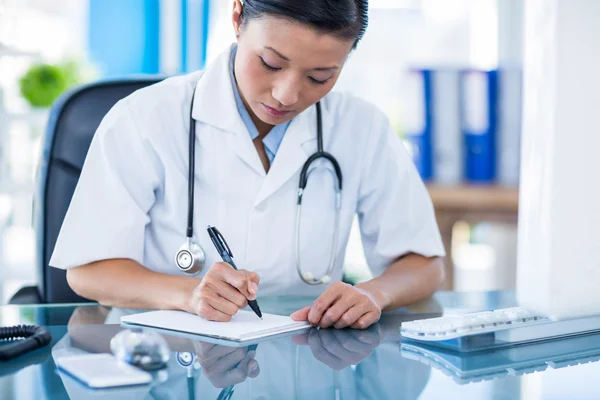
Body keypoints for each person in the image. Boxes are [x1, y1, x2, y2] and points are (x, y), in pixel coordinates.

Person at [50, 0, 445, 330]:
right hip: (167, 363)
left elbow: (423, 263)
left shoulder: (362, 127)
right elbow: (87, 270)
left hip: (303, 364)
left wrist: (373, 294)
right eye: (271, 63)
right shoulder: (143, 117)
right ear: (237, 16)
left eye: (320, 77)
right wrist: (189, 293)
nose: (287, 95)